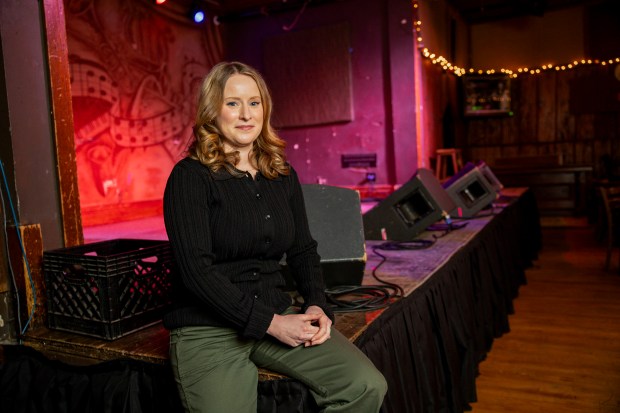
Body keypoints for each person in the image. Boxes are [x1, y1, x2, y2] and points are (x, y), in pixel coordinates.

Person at [163, 61, 388, 413]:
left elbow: (302, 249)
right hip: (208, 328)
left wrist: (317, 303)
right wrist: (271, 323)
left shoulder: (280, 173)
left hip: (276, 313)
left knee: (365, 385)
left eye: (254, 102)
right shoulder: (189, 177)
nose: (245, 114)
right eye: (232, 103)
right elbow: (196, 273)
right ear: (212, 111)